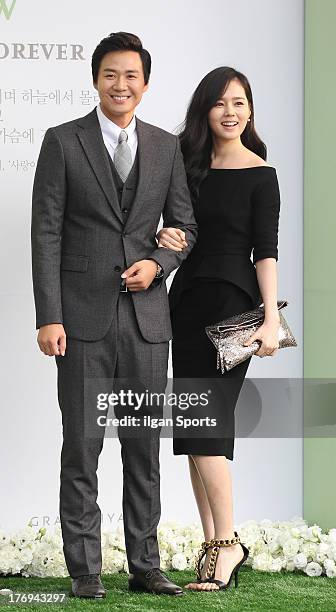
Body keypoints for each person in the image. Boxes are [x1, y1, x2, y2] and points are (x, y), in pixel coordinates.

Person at [31, 32, 197, 598]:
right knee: (82, 447)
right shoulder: (62, 142)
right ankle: (85, 573)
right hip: (79, 322)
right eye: (110, 74)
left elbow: (184, 228)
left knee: (143, 448)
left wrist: (159, 263)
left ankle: (145, 566)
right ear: (95, 79)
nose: (120, 85)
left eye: (131, 76)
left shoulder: (165, 147)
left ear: (145, 84)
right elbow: (46, 234)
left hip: (148, 323)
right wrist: (48, 316)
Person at [157, 66, 280, 591]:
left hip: (233, 308)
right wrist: (162, 234)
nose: (231, 112)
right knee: (191, 430)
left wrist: (271, 318)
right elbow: (175, 228)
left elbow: (266, 252)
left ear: (249, 110)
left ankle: (227, 544)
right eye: (221, 103)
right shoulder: (186, 164)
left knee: (206, 428)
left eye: (241, 103)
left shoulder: (261, 174)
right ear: (205, 109)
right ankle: (212, 547)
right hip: (185, 304)